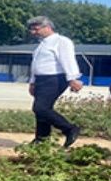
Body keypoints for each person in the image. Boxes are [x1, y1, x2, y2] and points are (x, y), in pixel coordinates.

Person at [27, 16, 83, 147]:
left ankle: (69, 129)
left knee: (40, 108)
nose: (33, 32)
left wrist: (72, 78)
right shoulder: (41, 45)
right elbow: (35, 64)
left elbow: (67, 60)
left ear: (47, 27)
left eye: (36, 29)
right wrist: (32, 81)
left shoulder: (61, 41)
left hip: (55, 78)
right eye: (32, 30)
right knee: (43, 109)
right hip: (41, 79)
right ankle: (42, 138)